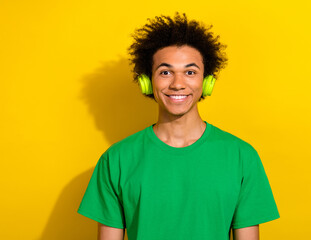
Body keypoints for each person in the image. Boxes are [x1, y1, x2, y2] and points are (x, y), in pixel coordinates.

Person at [78, 12, 280, 240]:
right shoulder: (116, 160)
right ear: (147, 81)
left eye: (190, 72)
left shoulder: (242, 157)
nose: (177, 84)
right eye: (165, 72)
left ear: (207, 82)